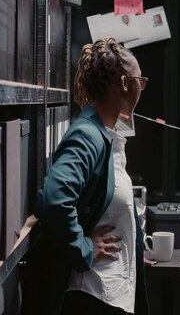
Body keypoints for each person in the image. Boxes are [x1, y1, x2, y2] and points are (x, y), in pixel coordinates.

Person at [24, 37, 151, 315]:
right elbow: (53, 200)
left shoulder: (105, 134)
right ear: (124, 83)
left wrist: (134, 248)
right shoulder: (87, 135)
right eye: (140, 79)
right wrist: (84, 248)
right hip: (94, 295)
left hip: (110, 290)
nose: (142, 87)